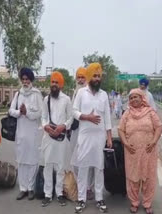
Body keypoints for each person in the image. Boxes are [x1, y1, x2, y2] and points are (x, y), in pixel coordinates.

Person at [71, 63, 113, 213]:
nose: (96, 78)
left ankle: (99, 198)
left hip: (99, 137)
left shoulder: (104, 95)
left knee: (99, 168)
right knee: (83, 167)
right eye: (94, 76)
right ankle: (81, 199)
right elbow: (74, 111)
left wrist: (109, 137)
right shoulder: (81, 93)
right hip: (84, 136)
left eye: (98, 76)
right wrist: (87, 117)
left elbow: (107, 117)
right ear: (89, 77)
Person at [118, 88, 162, 214]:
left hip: (148, 150)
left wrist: (153, 141)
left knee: (148, 177)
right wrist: (125, 143)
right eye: (131, 98)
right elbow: (121, 129)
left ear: (142, 98)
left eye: (135, 97)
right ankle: (134, 202)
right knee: (133, 178)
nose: (133, 100)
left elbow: (159, 127)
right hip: (131, 151)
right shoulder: (127, 113)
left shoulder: (150, 112)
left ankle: (147, 203)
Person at [9, 68, 43, 201]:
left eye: (27, 79)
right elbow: (11, 110)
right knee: (22, 161)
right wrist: (19, 112)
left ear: (31, 80)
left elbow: (40, 113)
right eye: (23, 79)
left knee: (32, 161)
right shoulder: (18, 94)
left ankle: (30, 188)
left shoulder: (36, 94)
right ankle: (22, 188)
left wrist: (27, 113)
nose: (25, 82)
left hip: (33, 134)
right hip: (21, 134)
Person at [41, 71, 73, 207]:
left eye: (56, 82)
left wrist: (63, 126)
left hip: (61, 137)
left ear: (61, 85)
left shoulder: (66, 99)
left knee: (60, 166)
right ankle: (48, 194)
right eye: (52, 82)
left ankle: (59, 193)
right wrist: (45, 126)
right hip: (48, 137)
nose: (54, 84)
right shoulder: (46, 99)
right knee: (47, 165)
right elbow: (43, 117)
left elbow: (70, 117)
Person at [70, 67, 95, 200]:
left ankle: (88, 188)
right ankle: (81, 186)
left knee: (89, 161)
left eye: (82, 77)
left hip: (88, 131)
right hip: (75, 131)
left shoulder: (91, 93)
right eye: (78, 77)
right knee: (75, 161)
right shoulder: (75, 92)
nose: (80, 80)